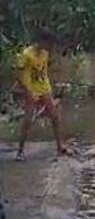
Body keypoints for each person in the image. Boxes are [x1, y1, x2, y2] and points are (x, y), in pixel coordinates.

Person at [15, 28, 69, 161]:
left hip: (44, 87)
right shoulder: (26, 54)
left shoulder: (45, 54)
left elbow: (44, 71)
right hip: (30, 87)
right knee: (28, 120)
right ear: (42, 41)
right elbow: (19, 75)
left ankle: (59, 146)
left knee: (55, 116)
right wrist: (27, 92)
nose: (50, 46)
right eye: (49, 43)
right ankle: (20, 151)